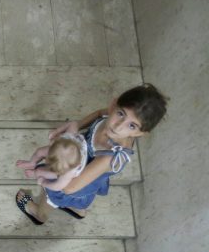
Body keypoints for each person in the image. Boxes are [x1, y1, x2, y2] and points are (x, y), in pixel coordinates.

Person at [15, 84, 167, 224]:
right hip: (86, 172)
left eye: (132, 126)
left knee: (53, 193)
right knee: (82, 196)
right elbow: (100, 113)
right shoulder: (109, 115)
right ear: (114, 104)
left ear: (141, 133)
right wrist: (76, 126)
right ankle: (79, 210)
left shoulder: (109, 157)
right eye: (121, 114)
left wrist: (53, 174)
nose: (118, 126)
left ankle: (39, 213)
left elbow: (69, 188)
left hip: (73, 180)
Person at [16, 133, 87, 195]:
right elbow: (73, 124)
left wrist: (44, 182)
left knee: (40, 172)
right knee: (39, 151)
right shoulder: (71, 141)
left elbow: (57, 186)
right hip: (60, 152)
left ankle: (35, 173)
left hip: (65, 169)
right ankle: (32, 163)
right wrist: (57, 132)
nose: (46, 162)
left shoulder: (69, 173)